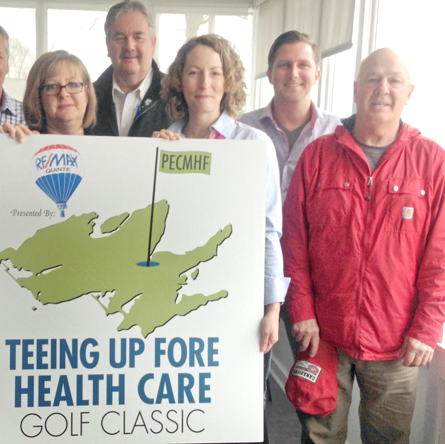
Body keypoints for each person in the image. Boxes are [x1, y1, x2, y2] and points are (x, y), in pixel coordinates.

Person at [282, 48, 445, 443]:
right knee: (320, 436)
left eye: (394, 80)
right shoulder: (318, 156)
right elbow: (294, 243)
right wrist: (301, 310)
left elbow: (440, 256)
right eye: (372, 79)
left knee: (388, 439)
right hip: (324, 334)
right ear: (355, 89)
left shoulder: (432, 162)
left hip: (396, 341)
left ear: (410, 93)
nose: (382, 89)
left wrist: (427, 327)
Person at [154, 34, 289, 442]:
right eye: (193, 73)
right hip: (176, 296)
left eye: (214, 73)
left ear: (228, 81)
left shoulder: (253, 144)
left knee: (234, 407)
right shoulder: (162, 141)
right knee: (181, 406)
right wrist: (151, 160)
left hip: (236, 301)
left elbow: (269, 230)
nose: (204, 83)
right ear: (179, 80)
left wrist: (272, 308)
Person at [240, 31, 341, 360]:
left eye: (303, 65)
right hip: (252, 270)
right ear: (269, 74)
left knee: (315, 377)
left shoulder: (338, 135)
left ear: (317, 73)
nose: (293, 73)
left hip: (313, 277)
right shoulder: (242, 131)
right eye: (283, 65)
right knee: (248, 365)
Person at [91, 0, 172, 137]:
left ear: (153, 44)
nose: (129, 46)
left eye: (138, 37)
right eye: (120, 38)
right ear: (107, 45)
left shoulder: (175, 96)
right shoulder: (87, 98)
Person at [0, 50, 97, 141]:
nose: (64, 94)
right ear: (37, 98)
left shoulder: (109, 147)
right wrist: (3, 145)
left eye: (73, 84)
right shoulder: (20, 143)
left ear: (87, 93)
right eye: (52, 86)